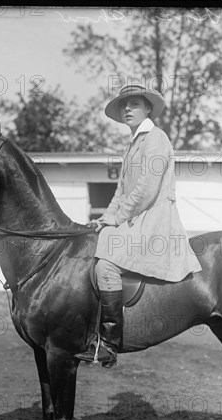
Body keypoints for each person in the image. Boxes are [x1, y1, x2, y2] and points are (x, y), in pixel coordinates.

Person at [75, 82, 202, 367]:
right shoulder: (133, 144)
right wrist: (105, 220)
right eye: (123, 105)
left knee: (106, 264)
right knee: (95, 242)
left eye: (133, 103)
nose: (127, 108)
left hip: (155, 220)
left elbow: (145, 190)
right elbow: (121, 192)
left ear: (147, 107)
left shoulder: (156, 138)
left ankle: (108, 343)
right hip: (137, 217)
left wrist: (117, 220)